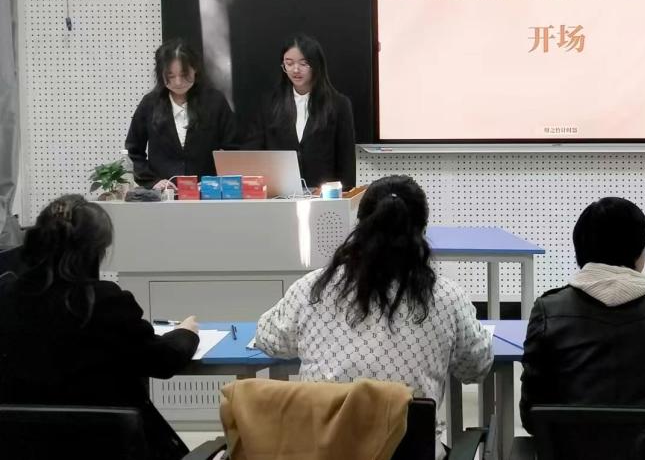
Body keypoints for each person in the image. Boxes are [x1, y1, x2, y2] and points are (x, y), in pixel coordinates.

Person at [254, 175, 492, 459]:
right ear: (422, 231)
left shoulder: (313, 288)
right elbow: (475, 367)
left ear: (360, 226)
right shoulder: (447, 297)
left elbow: (269, 339)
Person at [0, 195, 200, 460]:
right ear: (97, 249)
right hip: (110, 448)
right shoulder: (105, 302)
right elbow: (162, 361)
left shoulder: (7, 296)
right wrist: (186, 333)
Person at [519, 197, 645, 435]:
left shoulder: (548, 311)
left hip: (567, 451)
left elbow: (531, 416)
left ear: (580, 251)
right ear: (639, 252)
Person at [246, 33, 356, 191]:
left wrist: (344, 196)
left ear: (316, 65)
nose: (295, 69)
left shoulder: (338, 104)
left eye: (303, 64)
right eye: (289, 63)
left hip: (324, 195)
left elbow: (346, 161)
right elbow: (253, 151)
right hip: (278, 193)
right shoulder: (269, 104)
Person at [125, 39, 237, 190]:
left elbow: (233, 148)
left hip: (207, 192)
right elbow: (133, 150)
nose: (178, 82)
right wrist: (152, 181)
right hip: (164, 194)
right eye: (170, 76)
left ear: (195, 69)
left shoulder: (215, 101)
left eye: (184, 74)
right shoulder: (150, 103)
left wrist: (217, 181)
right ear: (161, 74)